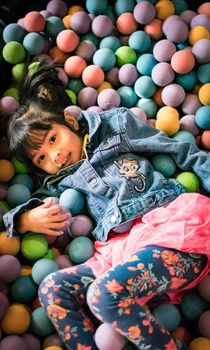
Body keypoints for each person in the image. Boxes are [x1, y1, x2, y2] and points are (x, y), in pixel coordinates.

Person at [3, 61, 210, 350]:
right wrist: (25, 220)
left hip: (171, 231)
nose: (55, 155)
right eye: (41, 158)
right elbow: (22, 208)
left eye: (53, 138)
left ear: (71, 122)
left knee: (102, 294)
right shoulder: (57, 183)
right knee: (52, 289)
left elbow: (178, 148)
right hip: (121, 252)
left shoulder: (115, 126)